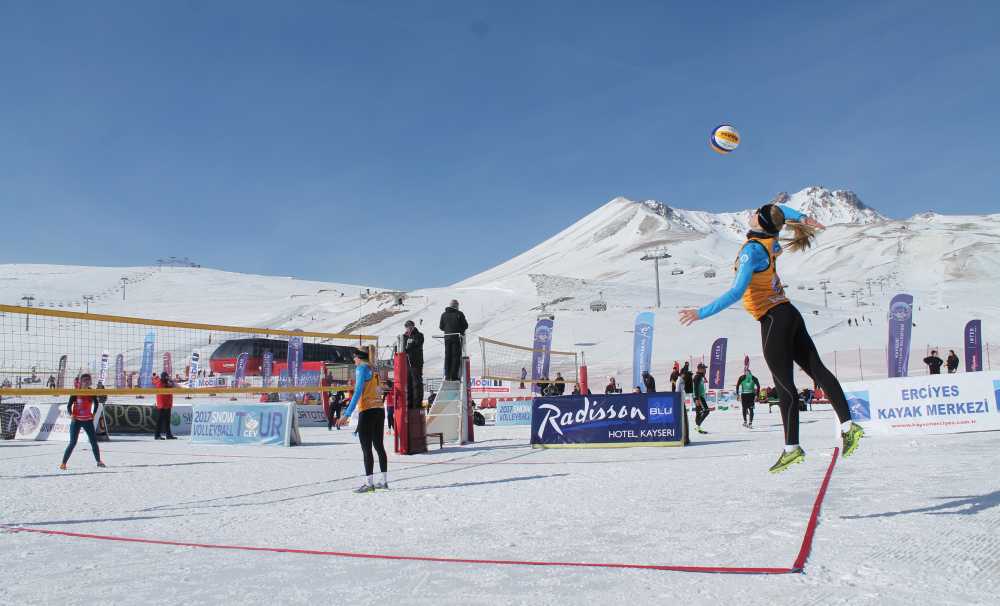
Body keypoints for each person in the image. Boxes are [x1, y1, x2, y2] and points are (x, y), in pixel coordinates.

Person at [679, 201, 864, 473]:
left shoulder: (752, 251)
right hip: (789, 313)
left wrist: (701, 312)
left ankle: (792, 448)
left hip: (773, 319)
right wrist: (803, 217)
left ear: (761, 223)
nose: (751, 212)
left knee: (784, 384)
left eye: (756, 213)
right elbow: (779, 212)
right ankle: (849, 425)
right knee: (818, 370)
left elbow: (735, 292)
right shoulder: (772, 239)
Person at [337, 350, 388, 492]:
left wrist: (346, 414)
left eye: (354, 358)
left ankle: (369, 483)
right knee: (379, 447)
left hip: (367, 410)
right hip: (379, 409)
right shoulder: (374, 369)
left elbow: (358, 391)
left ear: (359, 358)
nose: (354, 360)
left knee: (367, 449)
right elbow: (379, 389)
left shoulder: (361, 369)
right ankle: (384, 481)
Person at [59, 373, 106, 469]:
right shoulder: (76, 391)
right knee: (73, 442)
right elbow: (69, 405)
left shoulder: (91, 392)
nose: (87, 382)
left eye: (89, 380)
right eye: (85, 380)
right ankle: (63, 463)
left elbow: (96, 404)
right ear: (81, 381)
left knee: (93, 442)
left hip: (88, 421)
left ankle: (98, 461)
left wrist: (93, 413)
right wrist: (71, 414)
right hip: (76, 420)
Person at [439, 300, 468, 381]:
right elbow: (465, 325)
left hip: (447, 337)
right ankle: (454, 376)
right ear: (456, 306)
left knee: (448, 356)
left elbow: (441, 327)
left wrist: (448, 330)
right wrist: (459, 330)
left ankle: (447, 375)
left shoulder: (444, 314)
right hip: (456, 337)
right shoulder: (459, 314)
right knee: (455, 356)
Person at [403, 320, 424, 408]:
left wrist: (409, 345)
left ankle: (417, 404)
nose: (409, 328)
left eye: (410, 326)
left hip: (416, 362)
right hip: (407, 363)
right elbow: (402, 348)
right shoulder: (404, 337)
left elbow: (417, 343)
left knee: (416, 383)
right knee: (408, 384)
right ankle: (409, 404)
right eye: (407, 327)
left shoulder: (418, 335)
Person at [154, 371, 177, 439]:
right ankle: (157, 435)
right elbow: (167, 386)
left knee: (167, 421)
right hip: (162, 405)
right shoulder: (160, 383)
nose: (167, 378)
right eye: (166, 377)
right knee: (159, 421)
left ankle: (168, 435)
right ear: (163, 377)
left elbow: (174, 386)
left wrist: (171, 382)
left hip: (168, 404)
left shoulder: (167, 383)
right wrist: (170, 383)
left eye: (168, 377)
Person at [692, 363, 710, 434]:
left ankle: (698, 428)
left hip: (699, 397)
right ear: (700, 369)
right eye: (704, 368)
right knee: (706, 410)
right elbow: (695, 388)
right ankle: (697, 426)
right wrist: (697, 399)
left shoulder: (700, 376)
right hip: (699, 397)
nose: (705, 370)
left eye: (705, 368)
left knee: (699, 412)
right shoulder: (697, 377)